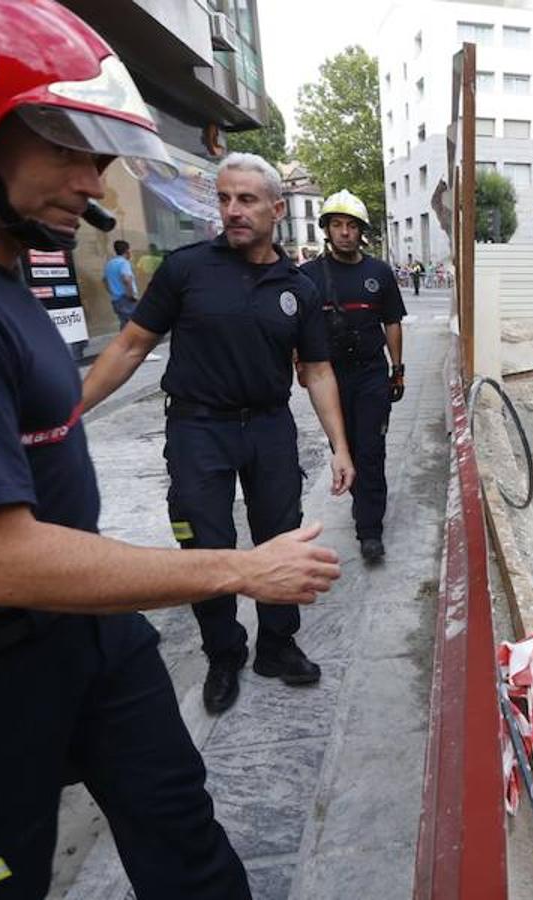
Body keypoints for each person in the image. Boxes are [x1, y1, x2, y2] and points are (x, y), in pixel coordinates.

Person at [0, 2, 341, 897]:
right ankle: (223, 652)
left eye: (98, 154)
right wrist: (238, 572)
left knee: (183, 833)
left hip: (88, 638)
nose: (92, 181)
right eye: (65, 146)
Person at [82, 152, 356, 715]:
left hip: (269, 428)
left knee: (281, 536)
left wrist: (340, 447)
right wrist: (70, 411)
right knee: (204, 542)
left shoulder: (298, 288)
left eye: (247, 200)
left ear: (276, 209)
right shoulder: (186, 270)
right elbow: (131, 346)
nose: (232, 211)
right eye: (225, 198)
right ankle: (223, 653)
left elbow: (318, 370)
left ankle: (277, 646)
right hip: (196, 428)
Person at [301, 191, 406, 564]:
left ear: (360, 232)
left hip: (371, 375)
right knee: (343, 448)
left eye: (351, 226)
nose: (344, 232)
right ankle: (359, 497)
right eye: (337, 225)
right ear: (327, 230)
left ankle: (369, 529)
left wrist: (398, 368)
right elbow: (297, 329)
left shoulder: (379, 273)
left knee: (371, 449)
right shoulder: (308, 276)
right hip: (330, 377)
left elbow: (391, 321)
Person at [103, 239, 138, 329]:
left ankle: (125, 342)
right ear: (127, 251)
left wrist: (112, 292)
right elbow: (127, 279)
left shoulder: (109, 264)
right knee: (134, 324)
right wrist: (131, 295)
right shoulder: (124, 263)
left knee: (124, 323)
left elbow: (104, 280)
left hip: (116, 300)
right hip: (126, 299)